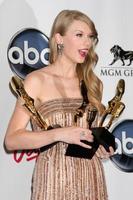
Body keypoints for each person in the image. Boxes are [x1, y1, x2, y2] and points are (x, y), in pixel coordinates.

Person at [5, 9, 114, 200]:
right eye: (79, 35)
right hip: (54, 181)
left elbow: (89, 135)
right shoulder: (36, 80)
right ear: (59, 38)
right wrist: (60, 134)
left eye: (90, 36)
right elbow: (12, 140)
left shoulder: (92, 83)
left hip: (91, 181)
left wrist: (101, 148)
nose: (87, 43)